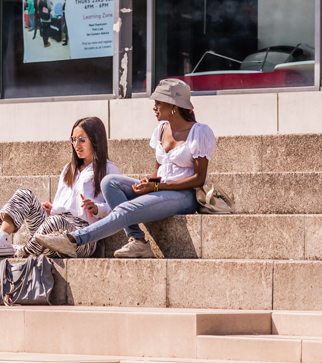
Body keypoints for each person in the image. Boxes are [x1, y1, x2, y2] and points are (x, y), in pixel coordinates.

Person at [36, 79, 215, 258]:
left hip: (184, 195)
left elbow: (199, 178)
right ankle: (138, 241)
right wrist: (148, 182)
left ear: (174, 106)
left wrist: (157, 187)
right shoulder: (161, 129)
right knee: (109, 182)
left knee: (126, 209)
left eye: (158, 103)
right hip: (160, 189)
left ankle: (72, 240)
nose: (154, 107)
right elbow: (160, 171)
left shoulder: (199, 132)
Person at [0, 117, 121, 258]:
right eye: (74, 139)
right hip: (51, 231)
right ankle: (2, 239)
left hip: (82, 237)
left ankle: (23, 251)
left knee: (55, 222)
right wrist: (52, 209)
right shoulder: (69, 169)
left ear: (96, 141)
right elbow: (62, 207)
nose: (76, 145)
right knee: (24, 194)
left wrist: (97, 208)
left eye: (82, 140)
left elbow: (119, 210)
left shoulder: (109, 170)